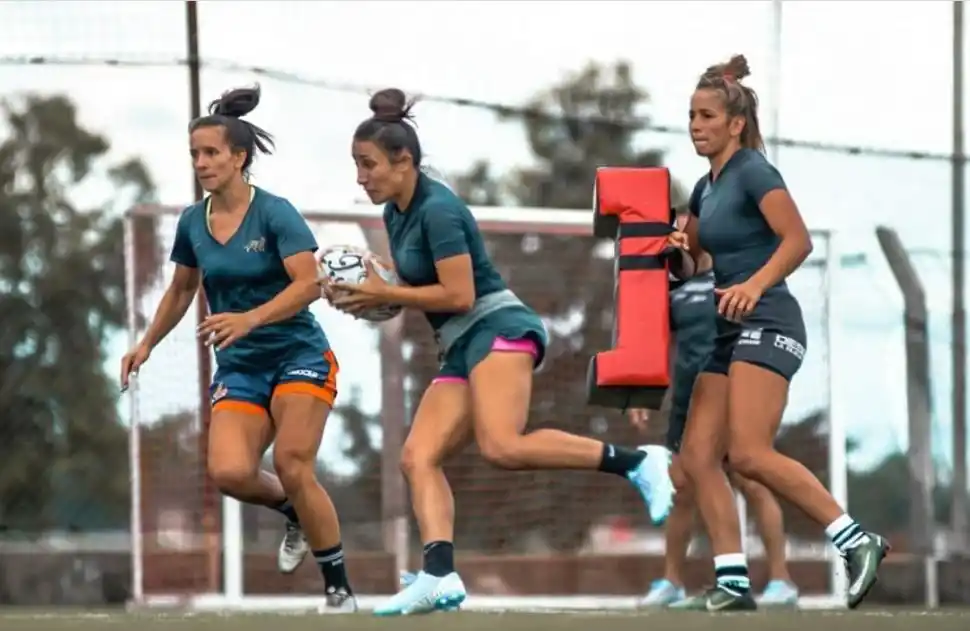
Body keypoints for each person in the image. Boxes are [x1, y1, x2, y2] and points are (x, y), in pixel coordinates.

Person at [326, 88, 673, 617]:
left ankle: (637, 462)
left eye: (368, 164)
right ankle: (439, 575)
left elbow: (460, 294)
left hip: (498, 328)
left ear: (405, 162)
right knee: (417, 457)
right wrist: (372, 293)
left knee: (503, 446)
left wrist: (384, 293)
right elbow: (416, 286)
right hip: (461, 344)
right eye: (356, 164)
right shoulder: (398, 212)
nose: (360, 176)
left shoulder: (438, 210)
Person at [119, 85, 356, 613]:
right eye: (194, 155)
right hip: (242, 367)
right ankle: (294, 512)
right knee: (229, 472)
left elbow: (309, 283)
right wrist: (146, 344)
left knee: (294, 461)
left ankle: (338, 587)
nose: (201, 164)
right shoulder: (191, 222)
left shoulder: (275, 213)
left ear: (238, 157)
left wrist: (249, 318)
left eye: (211, 153)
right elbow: (182, 289)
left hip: (298, 353)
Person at [664, 55, 888, 612]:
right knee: (696, 457)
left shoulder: (755, 172)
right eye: (691, 115)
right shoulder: (703, 188)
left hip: (768, 321)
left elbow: (797, 241)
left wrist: (755, 286)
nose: (696, 125)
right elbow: (691, 263)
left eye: (707, 115)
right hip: (727, 330)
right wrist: (676, 254)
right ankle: (733, 582)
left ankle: (857, 540)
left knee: (748, 453)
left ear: (735, 124)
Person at [631, 229, 798, 609]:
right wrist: (642, 391)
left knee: (750, 477)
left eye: (689, 223)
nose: (682, 231)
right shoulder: (675, 286)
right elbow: (661, 343)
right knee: (682, 485)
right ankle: (672, 581)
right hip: (689, 398)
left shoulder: (733, 276)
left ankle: (780, 581)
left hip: (732, 387)